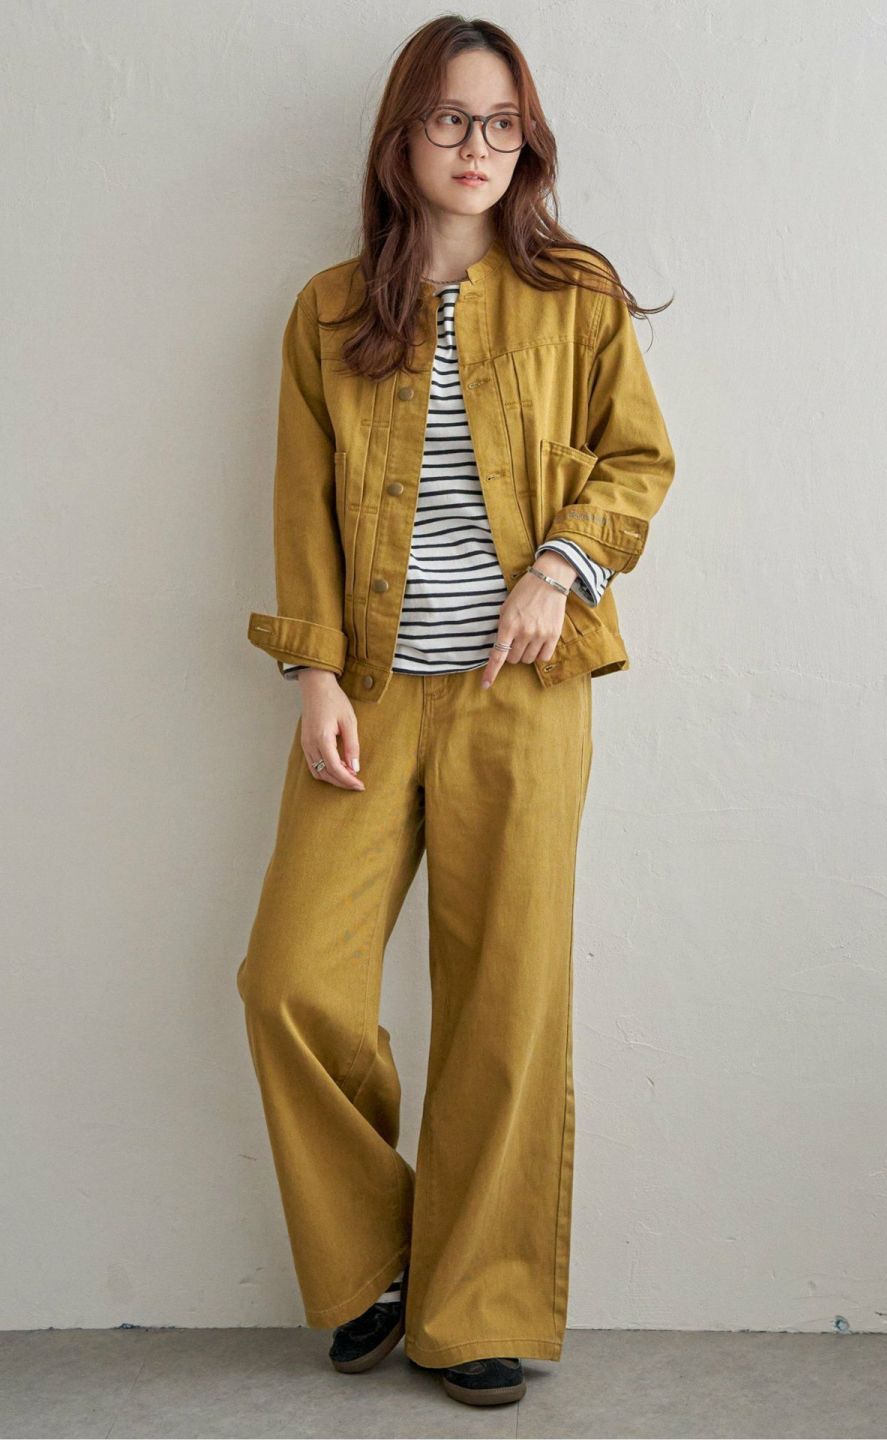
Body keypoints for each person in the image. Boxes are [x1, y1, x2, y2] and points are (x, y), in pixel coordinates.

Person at [236, 14, 675, 1409]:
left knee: (503, 1003)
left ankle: (477, 1306)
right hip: (367, 697)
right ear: (401, 139)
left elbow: (638, 462)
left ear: (525, 140)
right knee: (290, 979)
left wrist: (561, 564)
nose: (476, 146)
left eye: (500, 122)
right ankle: (375, 1260)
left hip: (520, 701)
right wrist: (314, 674)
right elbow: (301, 507)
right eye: (448, 119)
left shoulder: (575, 293)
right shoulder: (326, 311)